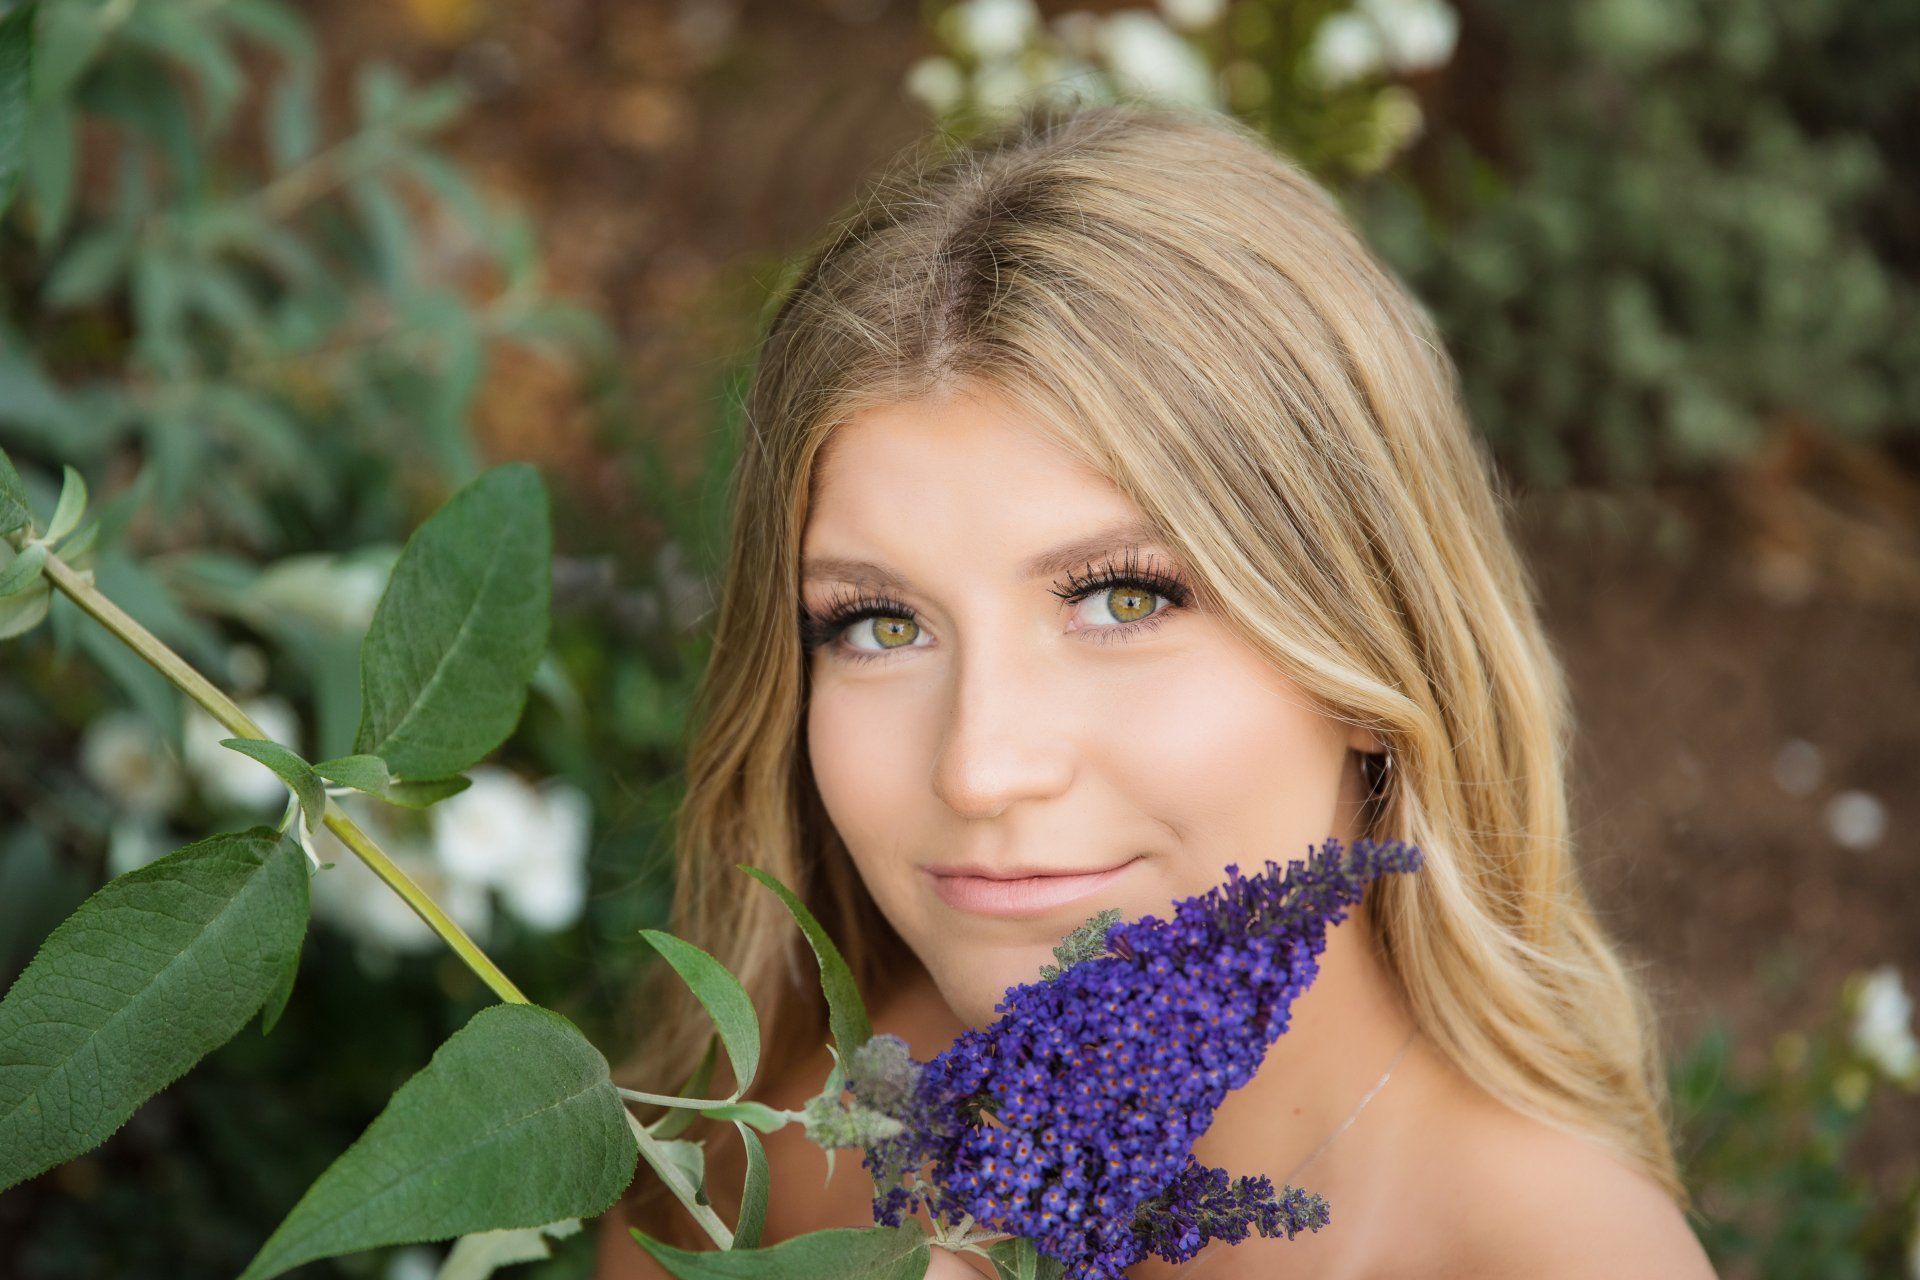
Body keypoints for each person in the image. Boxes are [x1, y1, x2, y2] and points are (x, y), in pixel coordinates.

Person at [597, 101, 1717, 1279]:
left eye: (1122, 600)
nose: (979, 766)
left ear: (1364, 642)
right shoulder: (767, 1141)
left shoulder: (1555, 1257)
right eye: (879, 623)